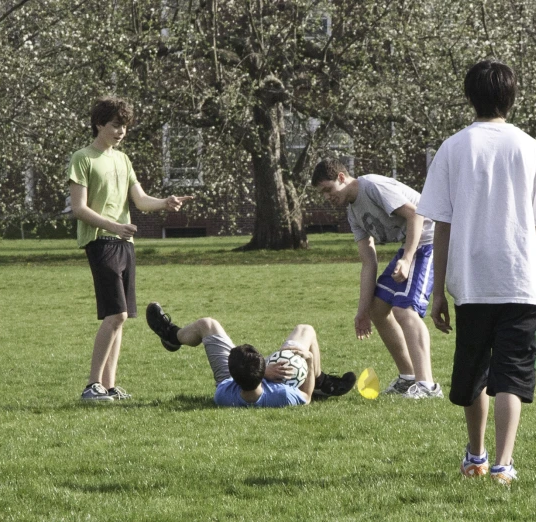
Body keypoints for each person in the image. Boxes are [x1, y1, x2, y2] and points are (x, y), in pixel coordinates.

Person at [416, 60, 536, 485]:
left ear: (470, 96)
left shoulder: (453, 148)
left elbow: (440, 225)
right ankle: (503, 464)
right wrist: (533, 272)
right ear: (511, 97)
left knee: (476, 371)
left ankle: (475, 457)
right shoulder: (529, 146)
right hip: (521, 282)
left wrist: (439, 290)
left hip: (473, 282)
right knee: (512, 376)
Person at [69, 96, 193, 402]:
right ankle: (92, 386)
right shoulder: (82, 158)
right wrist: (113, 226)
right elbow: (79, 208)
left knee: (121, 317)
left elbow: (139, 200)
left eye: (124, 126)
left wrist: (166, 202)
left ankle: (109, 386)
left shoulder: (123, 160)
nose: (121, 131)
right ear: (99, 124)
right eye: (115, 125)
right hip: (101, 241)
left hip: (125, 242)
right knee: (116, 314)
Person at [311, 159, 442, 399]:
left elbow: (416, 216)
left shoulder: (372, 187)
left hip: (431, 239)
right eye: (322, 194)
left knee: (405, 310)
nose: (327, 197)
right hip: (411, 246)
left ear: (342, 177)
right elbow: (368, 262)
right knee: (377, 308)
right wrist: (362, 311)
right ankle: (408, 377)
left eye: (328, 189)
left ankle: (427, 386)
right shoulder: (353, 213)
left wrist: (407, 259)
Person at [145, 302, 357, 407]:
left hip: (232, 375)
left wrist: (262, 370)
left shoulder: (223, 393)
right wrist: (308, 364)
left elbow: (239, 375)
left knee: (207, 324)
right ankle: (320, 381)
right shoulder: (282, 394)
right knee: (306, 329)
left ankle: (172, 336)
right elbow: (305, 398)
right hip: (280, 373)